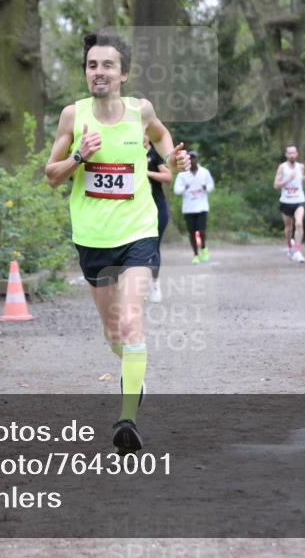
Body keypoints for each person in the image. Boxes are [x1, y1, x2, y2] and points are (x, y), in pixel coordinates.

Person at [45, 31, 190, 453]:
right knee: (113, 334)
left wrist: (172, 159)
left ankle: (126, 416)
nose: (99, 72)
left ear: (123, 74)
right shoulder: (73, 117)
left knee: (130, 322)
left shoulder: (140, 111)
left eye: (107, 65)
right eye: (92, 65)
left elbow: (163, 136)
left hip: (138, 232)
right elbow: (51, 176)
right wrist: (78, 157)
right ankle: (134, 371)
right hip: (92, 238)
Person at [144, 134, 172, 303]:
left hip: (156, 207)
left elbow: (168, 177)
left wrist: (147, 172)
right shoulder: (127, 153)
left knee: (153, 246)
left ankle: (154, 284)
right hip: (134, 210)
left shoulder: (154, 155)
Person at [173, 151, 214, 263]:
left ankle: (203, 247)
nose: (192, 160)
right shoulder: (182, 174)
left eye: (194, 158)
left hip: (202, 206)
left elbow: (211, 186)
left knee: (201, 231)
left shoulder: (204, 172)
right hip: (188, 208)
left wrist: (206, 187)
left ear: (198, 159)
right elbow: (176, 190)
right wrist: (185, 187)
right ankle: (195, 254)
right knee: (191, 233)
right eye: (190, 158)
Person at [274, 145, 305, 262]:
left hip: (299, 200)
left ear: (297, 154)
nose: (292, 155)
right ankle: (290, 248)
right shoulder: (282, 168)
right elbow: (276, 185)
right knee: (288, 228)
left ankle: (298, 251)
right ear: (286, 155)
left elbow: (299, 180)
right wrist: (288, 179)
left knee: (299, 223)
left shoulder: (301, 167)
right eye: (289, 153)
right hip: (286, 201)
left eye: (293, 153)